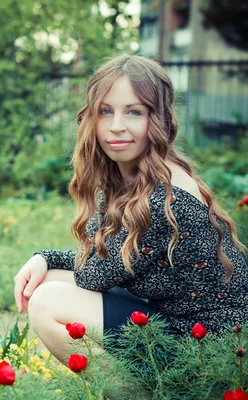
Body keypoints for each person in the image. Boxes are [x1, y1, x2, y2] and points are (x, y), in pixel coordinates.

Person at [13, 54, 248, 364]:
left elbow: (95, 274)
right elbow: (107, 261)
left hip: (207, 355)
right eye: (106, 111)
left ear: (159, 119)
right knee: (47, 280)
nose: (117, 126)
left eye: (134, 112)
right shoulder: (137, 177)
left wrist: (48, 258)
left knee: (46, 300)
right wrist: (45, 259)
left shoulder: (163, 198)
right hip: (175, 325)